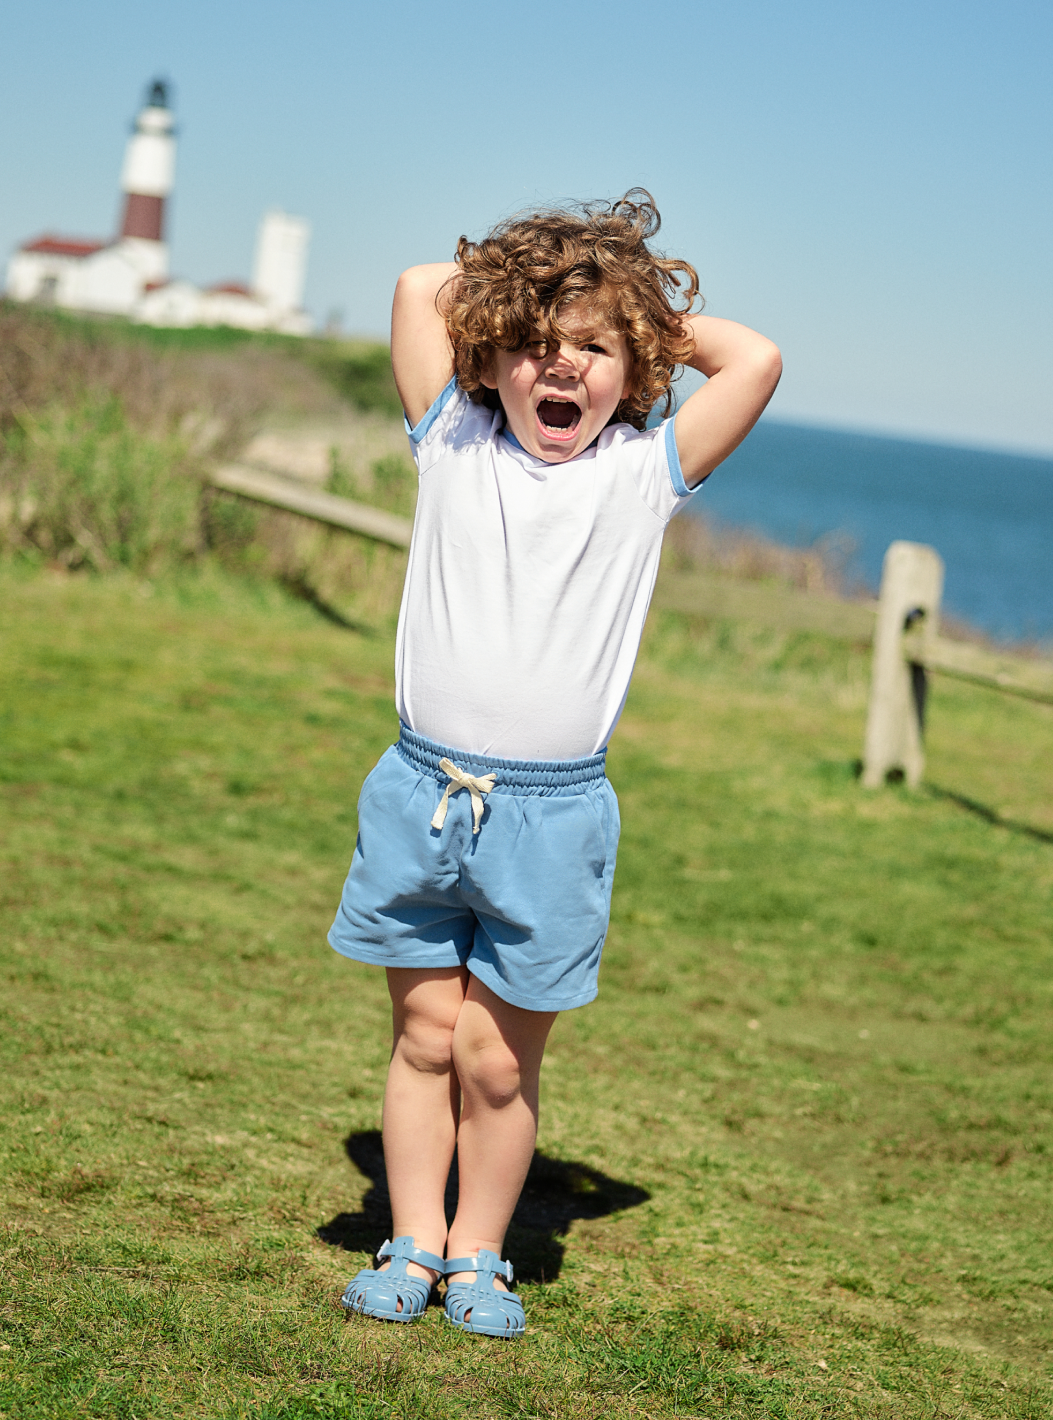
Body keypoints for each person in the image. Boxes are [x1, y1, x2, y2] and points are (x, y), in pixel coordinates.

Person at [328, 191, 781, 1337]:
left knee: (492, 1060)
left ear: (634, 372)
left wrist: (638, 312)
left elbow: (758, 358)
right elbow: (410, 288)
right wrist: (537, 287)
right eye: (533, 346)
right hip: (421, 793)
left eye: (590, 351)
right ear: (490, 355)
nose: (559, 368)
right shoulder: (451, 438)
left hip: (554, 819)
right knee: (425, 1037)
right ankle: (413, 1238)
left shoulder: (641, 476)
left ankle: (481, 1252)